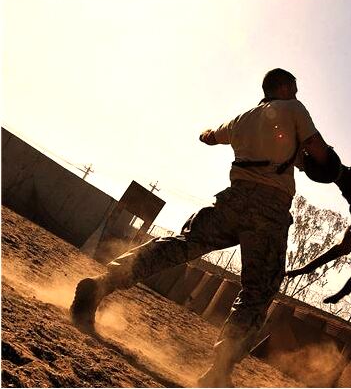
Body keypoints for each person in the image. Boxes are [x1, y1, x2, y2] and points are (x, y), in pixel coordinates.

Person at [70, 68, 335, 387]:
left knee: (180, 245)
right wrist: (336, 167)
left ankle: (100, 284)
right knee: (258, 290)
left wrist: (210, 132)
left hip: (232, 201)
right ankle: (219, 371)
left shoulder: (241, 120)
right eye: (294, 87)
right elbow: (320, 152)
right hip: (269, 211)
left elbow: (209, 137)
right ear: (282, 87)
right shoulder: (294, 109)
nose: (297, 93)